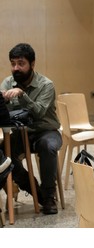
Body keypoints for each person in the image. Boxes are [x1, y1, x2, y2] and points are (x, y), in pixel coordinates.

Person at [0, 43, 62, 214]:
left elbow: (39, 113)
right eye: (13, 64)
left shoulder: (46, 85)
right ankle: (35, 190)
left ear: (32, 64)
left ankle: (49, 195)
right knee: (3, 154)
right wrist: (3, 101)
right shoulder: (7, 82)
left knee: (47, 146)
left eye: (21, 63)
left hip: (46, 131)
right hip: (21, 133)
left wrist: (22, 95)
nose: (16, 68)